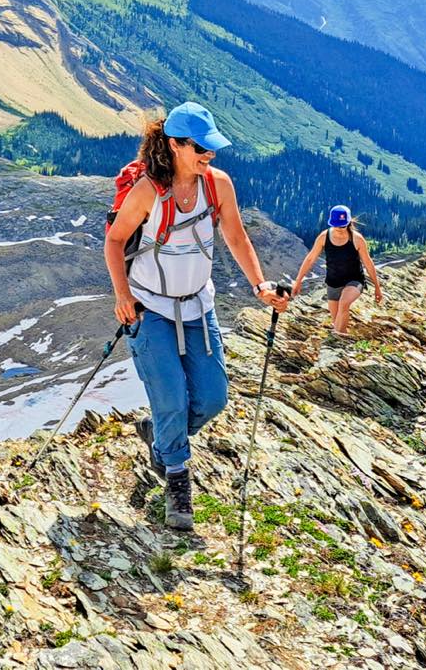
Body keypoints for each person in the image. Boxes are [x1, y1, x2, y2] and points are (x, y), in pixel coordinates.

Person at [106, 101, 290, 531]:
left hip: (197, 305)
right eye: (201, 148)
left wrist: (260, 285)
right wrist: (121, 295)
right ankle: (175, 476)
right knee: (171, 397)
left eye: (211, 148)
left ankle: (162, 436)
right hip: (149, 308)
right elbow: (115, 243)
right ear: (175, 145)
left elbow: (236, 236)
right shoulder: (150, 191)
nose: (210, 155)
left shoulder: (217, 185)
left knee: (212, 399)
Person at [290, 205, 383, 337]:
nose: (340, 228)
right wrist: (298, 281)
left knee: (344, 304)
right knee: (337, 324)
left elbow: (368, 262)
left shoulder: (357, 239)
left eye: (343, 225)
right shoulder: (324, 237)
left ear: (349, 222)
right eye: (337, 225)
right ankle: (342, 345)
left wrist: (377, 287)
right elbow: (310, 259)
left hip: (354, 280)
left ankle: (334, 344)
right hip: (333, 283)